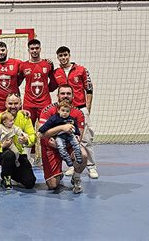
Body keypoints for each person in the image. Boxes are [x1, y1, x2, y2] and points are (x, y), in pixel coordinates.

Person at [53, 46, 98, 179]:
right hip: (65, 111)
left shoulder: (81, 70)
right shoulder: (56, 72)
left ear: (69, 55)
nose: (63, 58)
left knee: (85, 139)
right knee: (66, 139)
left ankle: (91, 166)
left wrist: (87, 108)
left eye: (65, 55)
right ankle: (72, 166)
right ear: (58, 58)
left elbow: (89, 89)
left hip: (80, 108)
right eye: (60, 56)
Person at [39, 84, 88, 194]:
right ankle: (57, 173)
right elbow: (41, 134)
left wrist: (63, 145)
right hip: (50, 148)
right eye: (63, 93)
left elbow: (78, 137)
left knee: (83, 155)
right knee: (53, 186)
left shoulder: (78, 113)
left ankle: (76, 178)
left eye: (68, 94)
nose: (65, 96)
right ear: (57, 95)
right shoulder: (48, 110)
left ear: (73, 96)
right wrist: (62, 128)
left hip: (68, 145)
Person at [0, 93, 37, 190]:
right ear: (6, 104)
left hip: (18, 154)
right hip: (3, 153)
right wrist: (0, 146)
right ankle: (6, 178)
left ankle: (11, 172)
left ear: (20, 104)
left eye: (16, 103)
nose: (13, 106)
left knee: (30, 183)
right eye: (10, 103)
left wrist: (26, 140)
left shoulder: (25, 118)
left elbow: (33, 136)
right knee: (9, 155)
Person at [18, 39, 57, 165]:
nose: (34, 50)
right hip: (29, 104)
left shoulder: (48, 65)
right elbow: (17, 83)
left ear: (40, 49)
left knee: (45, 130)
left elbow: (54, 82)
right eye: (32, 48)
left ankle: (46, 158)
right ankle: (27, 158)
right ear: (28, 50)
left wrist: (47, 90)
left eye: (36, 48)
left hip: (44, 103)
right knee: (26, 131)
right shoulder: (23, 66)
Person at [38, 100, 82, 167]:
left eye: (67, 111)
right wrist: (41, 130)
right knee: (61, 147)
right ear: (58, 110)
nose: (65, 113)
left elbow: (76, 127)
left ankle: (78, 156)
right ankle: (67, 159)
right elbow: (47, 125)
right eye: (63, 110)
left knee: (76, 144)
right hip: (59, 136)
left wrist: (77, 134)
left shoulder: (71, 119)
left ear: (69, 112)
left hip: (70, 135)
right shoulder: (54, 118)